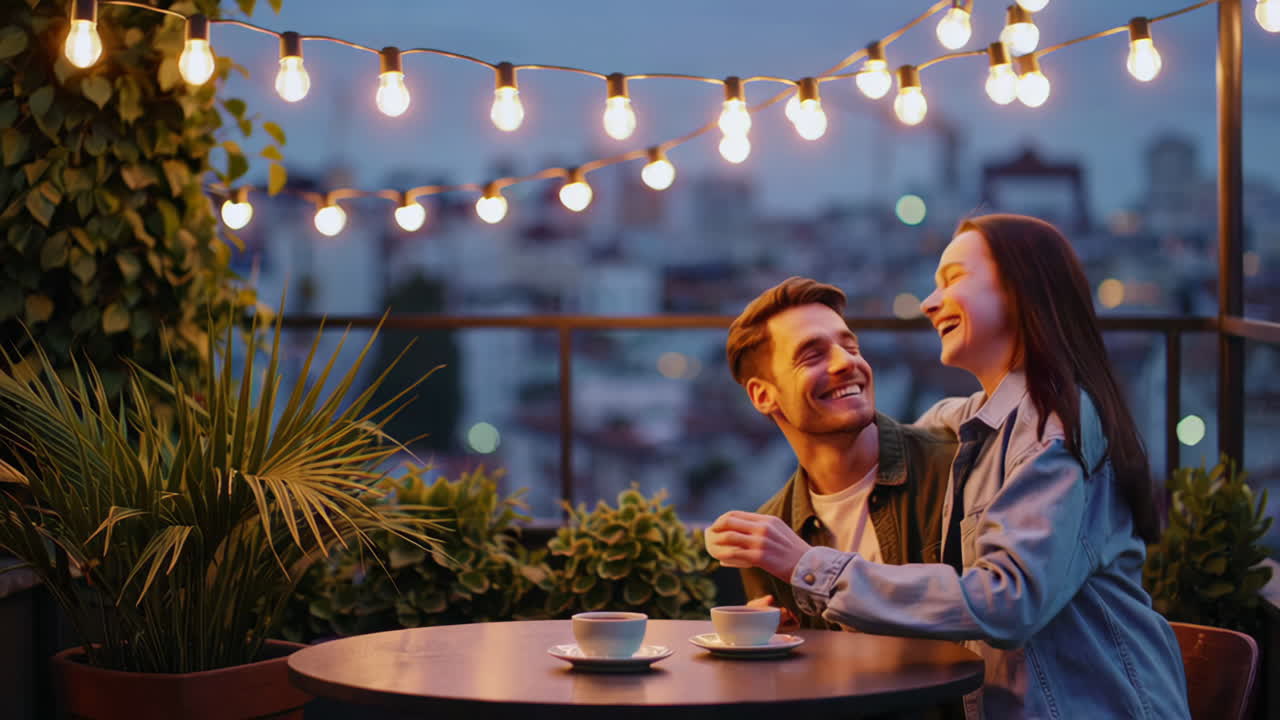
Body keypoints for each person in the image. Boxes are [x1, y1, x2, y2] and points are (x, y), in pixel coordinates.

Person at [707, 215, 1190, 720]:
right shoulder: (965, 428)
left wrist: (807, 566)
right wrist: (797, 632)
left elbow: (1008, 601)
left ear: (1020, 289)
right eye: (812, 353)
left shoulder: (1053, 427)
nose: (928, 302)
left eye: (953, 278)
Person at [723, 277, 956, 631]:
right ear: (763, 396)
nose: (845, 363)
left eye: (851, 348)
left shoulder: (953, 468)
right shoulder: (772, 534)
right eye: (812, 355)